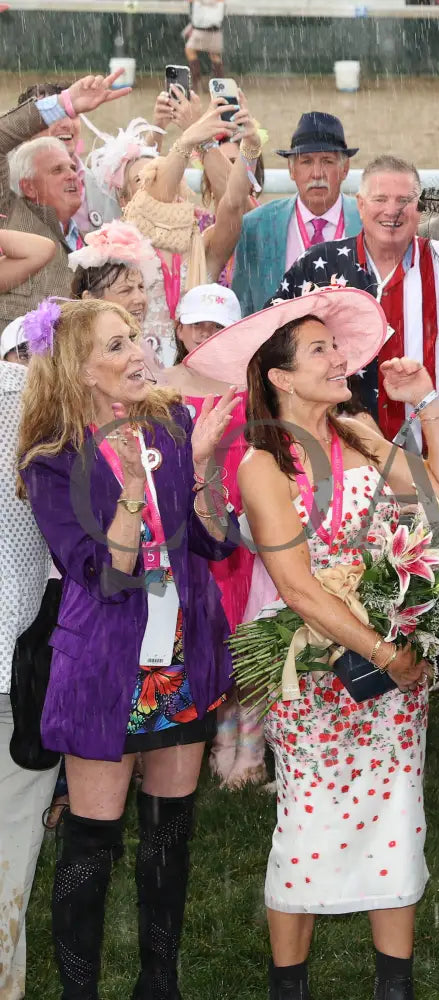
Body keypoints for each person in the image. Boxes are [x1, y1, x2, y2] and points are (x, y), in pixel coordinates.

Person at [184, 286, 439, 1000]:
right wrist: (386, 655)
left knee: (397, 816)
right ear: (279, 376)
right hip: (316, 682)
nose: (340, 357)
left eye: (335, 346)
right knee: (308, 827)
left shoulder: (358, 434)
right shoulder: (262, 464)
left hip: (391, 680)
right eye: (320, 350)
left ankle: (393, 988)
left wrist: (426, 404)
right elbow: (300, 587)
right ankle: (291, 987)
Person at [17, 297, 239, 999]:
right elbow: (101, 574)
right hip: (105, 668)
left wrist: (201, 466)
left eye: (137, 339)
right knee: (93, 839)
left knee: (169, 832)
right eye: (117, 346)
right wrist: (133, 497)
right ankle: (79, 989)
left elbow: (214, 541)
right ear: (79, 371)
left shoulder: (173, 424)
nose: (140, 354)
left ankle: (159, 982)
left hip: (182, 654)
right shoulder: (52, 460)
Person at [277, 155, 439, 447]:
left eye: (404, 200)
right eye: (380, 199)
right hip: (341, 455)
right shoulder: (317, 264)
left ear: (419, 207)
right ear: (360, 205)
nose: (392, 210)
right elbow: (274, 346)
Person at [161, 282, 262, 789]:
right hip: (176, 534)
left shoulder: (251, 390)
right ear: (178, 329)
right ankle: (173, 738)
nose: (205, 335)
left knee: (237, 636)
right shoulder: (159, 389)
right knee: (180, 636)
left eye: (217, 328)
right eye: (197, 324)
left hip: (231, 533)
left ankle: (240, 747)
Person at [122, 91, 255, 364]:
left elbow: (232, 205)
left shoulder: (203, 246)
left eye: (165, 172)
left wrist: (250, 150)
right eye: (142, 180)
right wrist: (188, 138)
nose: (155, 182)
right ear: (124, 201)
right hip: (137, 374)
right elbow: (156, 198)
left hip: (197, 371)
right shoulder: (117, 251)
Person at [0, 358, 54, 1000]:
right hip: (24, 662)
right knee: (12, 848)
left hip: (22, 667)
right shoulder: (39, 400)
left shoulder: (35, 398)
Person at [0, 68, 131, 323]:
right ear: (28, 187)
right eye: (57, 170)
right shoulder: (10, 212)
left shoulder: (91, 245)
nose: (72, 175)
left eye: (72, 168)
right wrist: (64, 104)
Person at [233, 112, 362, 317]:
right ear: (291, 170)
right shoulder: (257, 226)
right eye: (306, 162)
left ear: (345, 169)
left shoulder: (368, 221)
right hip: (277, 345)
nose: (317, 173)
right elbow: (243, 307)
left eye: (327, 161)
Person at [17, 81, 121, 231]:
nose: (66, 124)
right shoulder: (7, 187)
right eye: (53, 115)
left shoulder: (107, 187)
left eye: (73, 114)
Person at [69, 218, 158, 329]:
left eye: (141, 287)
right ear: (90, 300)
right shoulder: (77, 346)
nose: (139, 299)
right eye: (125, 290)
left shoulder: (140, 345)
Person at [183, 0, 227, 92]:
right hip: (215, 31)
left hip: (201, 30)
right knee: (215, 56)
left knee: (189, 50)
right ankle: (220, 84)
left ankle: (195, 82)